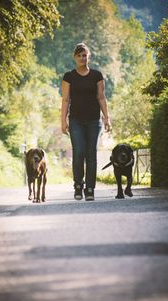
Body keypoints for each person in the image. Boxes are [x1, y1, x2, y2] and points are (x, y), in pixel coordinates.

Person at [61, 42, 111, 201]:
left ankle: (90, 189)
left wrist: (107, 118)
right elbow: (65, 100)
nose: (82, 58)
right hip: (75, 120)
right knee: (79, 153)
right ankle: (78, 186)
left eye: (85, 55)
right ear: (75, 57)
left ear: (88, 56)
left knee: (91, 155)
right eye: (79, 55)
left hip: (94, 121)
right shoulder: (69, 76)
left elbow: (101, 97)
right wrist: (63, 121)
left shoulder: (97, 75)